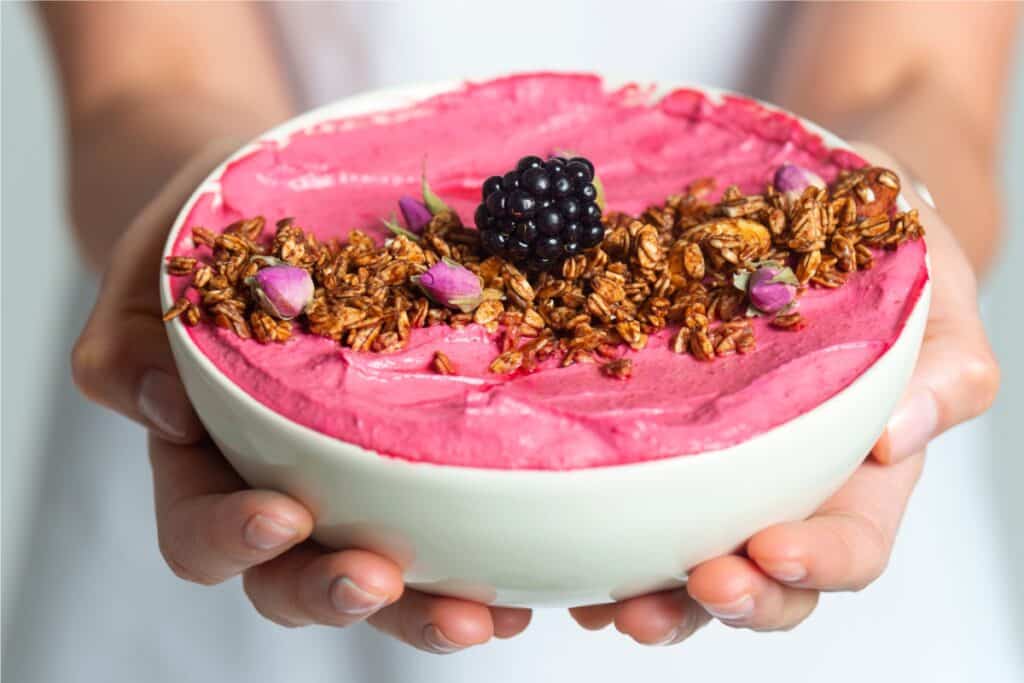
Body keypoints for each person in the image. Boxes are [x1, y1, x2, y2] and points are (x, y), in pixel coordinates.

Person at [11, 2, 1018, 681]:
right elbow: (145, 80)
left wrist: (901, 196)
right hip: (245, 487)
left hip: (808, 470)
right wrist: (186, 188)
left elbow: (915, 74)